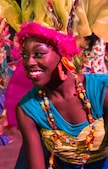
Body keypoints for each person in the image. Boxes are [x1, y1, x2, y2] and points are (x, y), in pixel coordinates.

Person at [15, 22, 108, 169]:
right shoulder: (26, 109)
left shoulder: (102, 90)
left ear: (62, 53)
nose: (29, 62)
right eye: (24, 55)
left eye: (39, 53)